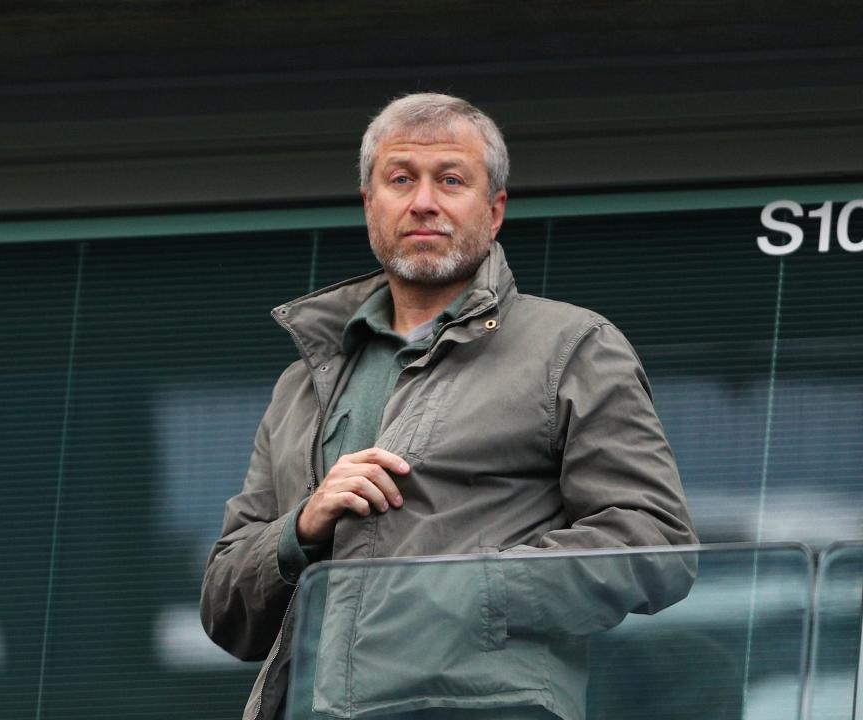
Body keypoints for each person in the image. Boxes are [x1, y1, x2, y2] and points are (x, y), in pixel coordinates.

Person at [200, 93, 698, 720]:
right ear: (370, 205)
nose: (424, 201)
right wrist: (302, 527)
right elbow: (223, 607)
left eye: (451, 180)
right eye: (401, 179)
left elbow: (655, 544)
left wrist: (469, 589)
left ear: (494, 213)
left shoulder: (571, 347)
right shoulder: (303, 382)